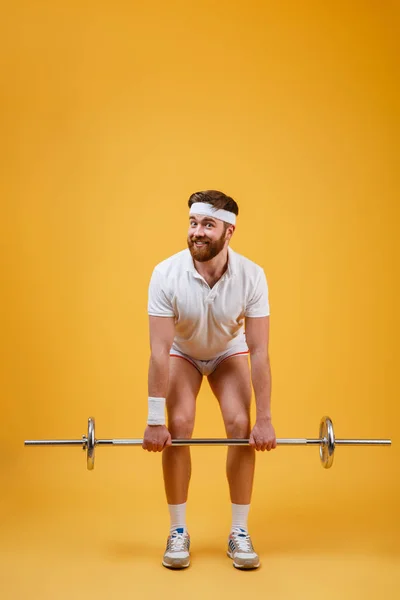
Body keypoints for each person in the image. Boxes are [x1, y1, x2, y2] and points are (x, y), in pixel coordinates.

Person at [142, 190, 276, 570]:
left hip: (227, 352)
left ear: (229, 231)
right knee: (179, 425)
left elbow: (260, 351)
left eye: (207, 225)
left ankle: (238, 532)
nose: (197, 232)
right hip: (182, 352)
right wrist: (154, 421)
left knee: (240, 425)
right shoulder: (165, 274)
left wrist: (264, 419)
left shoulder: (252, 275)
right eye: (193, 223)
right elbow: (158, 351)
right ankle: (179, 531)